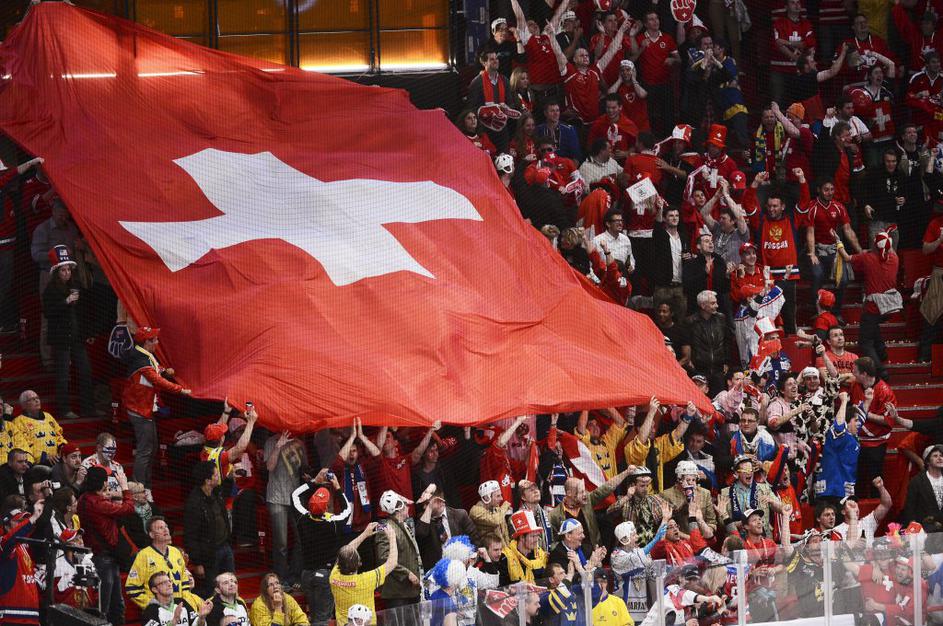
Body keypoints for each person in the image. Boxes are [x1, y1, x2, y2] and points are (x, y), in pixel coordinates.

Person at [122, 326, 191, 496]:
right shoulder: (141, 361)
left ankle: (146, 487)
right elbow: (157, 381)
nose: (157, 342)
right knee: (145, 451)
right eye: (154, 340)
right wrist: (180, 390)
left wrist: (165, 371)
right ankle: (139, 490)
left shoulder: (144, 355)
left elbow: (156, 370)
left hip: (144, 408)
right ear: (146, 342)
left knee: (151, 449)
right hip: (139, 409)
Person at [835, 227, 901, 380]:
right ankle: (882, 351)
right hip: (890, 307)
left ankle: (881, 372)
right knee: (872, 326)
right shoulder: (895, 258)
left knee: (865, 342)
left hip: (873, 308)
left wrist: (838, 242)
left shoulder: (867, 258)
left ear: (875, 245)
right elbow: (887, 249)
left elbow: (846, 257)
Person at [41, 245, 95, 419]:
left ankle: (88, 409)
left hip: (77, 337)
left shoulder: (76, 286)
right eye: (63, 270)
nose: (67, 273)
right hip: (61, 338)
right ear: (57, 272)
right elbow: (48, 312)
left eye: (69, 270)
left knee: (85, 371)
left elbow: (84, 313)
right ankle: (64, 410)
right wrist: (65, 302)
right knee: (63, 375)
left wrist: (88, 333)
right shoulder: (50, 290)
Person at [76, 465, 134, 626]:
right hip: (104, 558)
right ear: (103, 483)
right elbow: (129, 508)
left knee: (113, 604)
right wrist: (125, 488)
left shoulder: (83, 499)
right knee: (106, 607)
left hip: (100, 556)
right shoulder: (99, 503)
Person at [263, 428, 307, 590]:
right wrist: (278, 446)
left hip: (295, 496)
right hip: (276, 497)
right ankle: (281, 578)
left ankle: (295, 575)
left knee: (301, 538)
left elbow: (304, 468)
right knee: (281, 542)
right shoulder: (271, 442)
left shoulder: (299, 442)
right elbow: (269, 466)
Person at [184, 461, 233, 598]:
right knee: (214, 592)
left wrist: (230, 479)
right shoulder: (194, 503)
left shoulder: (216, 492)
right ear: (207, 480)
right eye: (216, 475)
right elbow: (191, 536)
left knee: (231, 585)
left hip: (225, 546)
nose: (218, 477)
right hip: (209, 554)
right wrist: (197, 562)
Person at [850, 356, 898, 498]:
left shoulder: (885, 392)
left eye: (855, 371)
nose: (853, 374)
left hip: (876, 443)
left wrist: (864, 413)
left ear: (864, 374)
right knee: (857, 480)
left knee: (875, 480)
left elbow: (888, 420)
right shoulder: (855, 385)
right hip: (857, 441)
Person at [126, 514, 194, 609]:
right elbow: (132, 588)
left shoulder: (176, 552)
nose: (165, 530)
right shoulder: (143, 555)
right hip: (159, 611)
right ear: (151, 535)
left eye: (166, 526)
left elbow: (185, 583)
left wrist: (186, 603)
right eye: (160, 528)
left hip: (180, 608)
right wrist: (153, 605)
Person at [375, 490, 422, 609]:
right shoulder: (385, 529)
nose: (408, 507)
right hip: (398, 594)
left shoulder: (403, 525)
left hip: (409, 591)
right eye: (405, 505)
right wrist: (407, 574)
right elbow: (384, 558)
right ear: (399, 508)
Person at [0, 503, 44, 626]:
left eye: (24, 521)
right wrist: (32, 518)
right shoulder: (3, 543)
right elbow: (11, 539)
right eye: (18, 521)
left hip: (31, 616)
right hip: (11, 617)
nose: (23, 524)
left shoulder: (23, 547)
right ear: (7, 526)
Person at [415, 487, 478, 569]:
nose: (424, 507)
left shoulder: (460, 515)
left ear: (440, 501)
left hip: (460, 565)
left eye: (427, 503)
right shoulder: (424, 519)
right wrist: (429, 507)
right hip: (437, 569)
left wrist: (470, 559)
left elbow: (475, 540)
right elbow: (420, 535)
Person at [687, 290, 730, 395]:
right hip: (699, 369)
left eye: (716, 302)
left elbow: (727, 340)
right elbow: (686, 343)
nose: (717, 305)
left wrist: (726, 361)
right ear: (703, 305)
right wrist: (689, 360)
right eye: (713, 303)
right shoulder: (691, 322)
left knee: (719, 399)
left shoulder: (721, 319)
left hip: (718, 369)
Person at [12, 389, 66, 466]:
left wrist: (62, 447)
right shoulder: (18, 422)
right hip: (36, 463)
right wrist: (44, 457)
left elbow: (59, 435)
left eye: (37, 398)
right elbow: (23, 445)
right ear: (24, 405)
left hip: (56, 458)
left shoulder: (48, 416)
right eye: (32, 399)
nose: (37, 401)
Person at [140, 571, 213, 626]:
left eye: (169, 581)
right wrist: (174, 621)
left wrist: (202, 617)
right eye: (163, 583)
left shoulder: (181, 602)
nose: (169, 584)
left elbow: (197, 624)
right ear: (155, 589)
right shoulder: (149, 611)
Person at [902, 444, 943, 526]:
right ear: (927, 461)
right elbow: (910, 508)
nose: (940, 458)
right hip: (925, 528)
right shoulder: (917, 481)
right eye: (935, 456)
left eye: (941, 456)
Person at [504, 510, 548, 583]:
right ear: (522, 537)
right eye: (533, 536)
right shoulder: (506, 557)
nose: (536, 540)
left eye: (537, 536)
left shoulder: (541, 554)